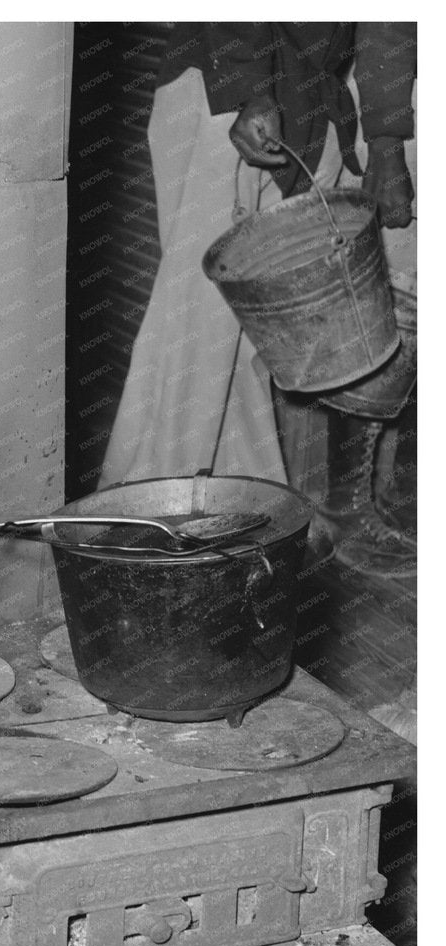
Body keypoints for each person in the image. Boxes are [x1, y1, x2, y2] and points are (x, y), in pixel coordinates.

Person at [99, 24, 416, 576]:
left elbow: (388, 24)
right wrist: (249, 88)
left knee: (254, 343)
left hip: (312, 106)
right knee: (196, 331)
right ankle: (147, 525)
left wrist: (386, 143)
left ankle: (241, 516)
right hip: (232, 90)